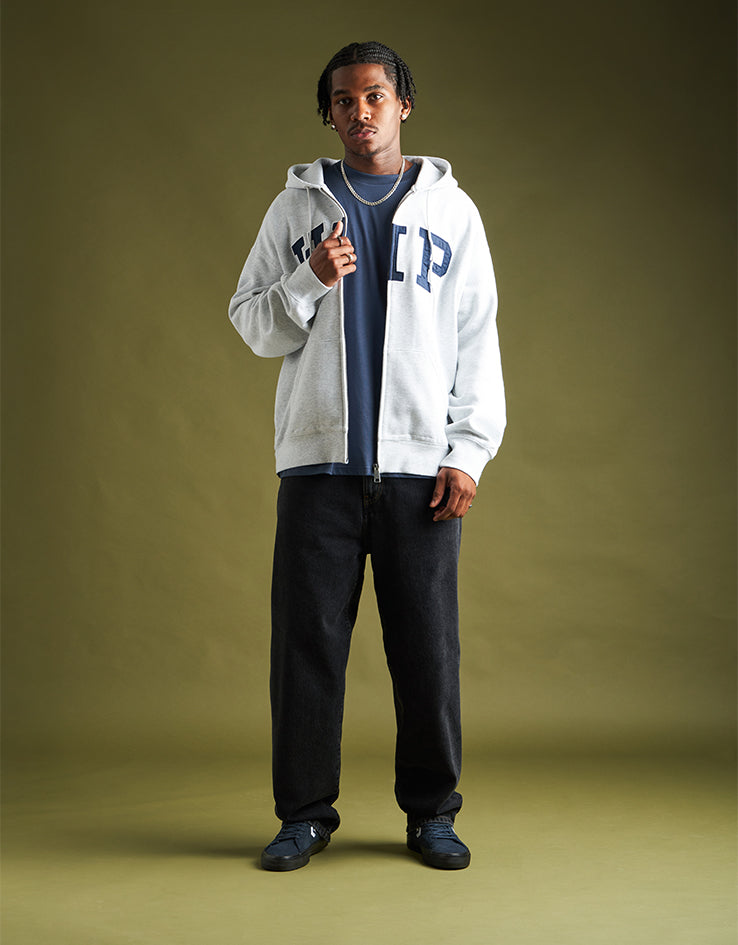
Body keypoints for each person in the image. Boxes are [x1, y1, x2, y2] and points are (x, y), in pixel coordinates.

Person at [228, 40, 505, 872]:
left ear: (403, 104)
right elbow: (251, 323)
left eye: (375, 95)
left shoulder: (453, 212)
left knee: (427, 650)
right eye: (344, 100)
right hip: (319, 469)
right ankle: (305, 815)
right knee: (306, 648)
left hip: (421, 471)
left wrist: (468, 451)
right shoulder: (294, 211)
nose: (360, 112)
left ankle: (432, 813)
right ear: (330, 114)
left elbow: (477, 338)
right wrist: (307, 279)